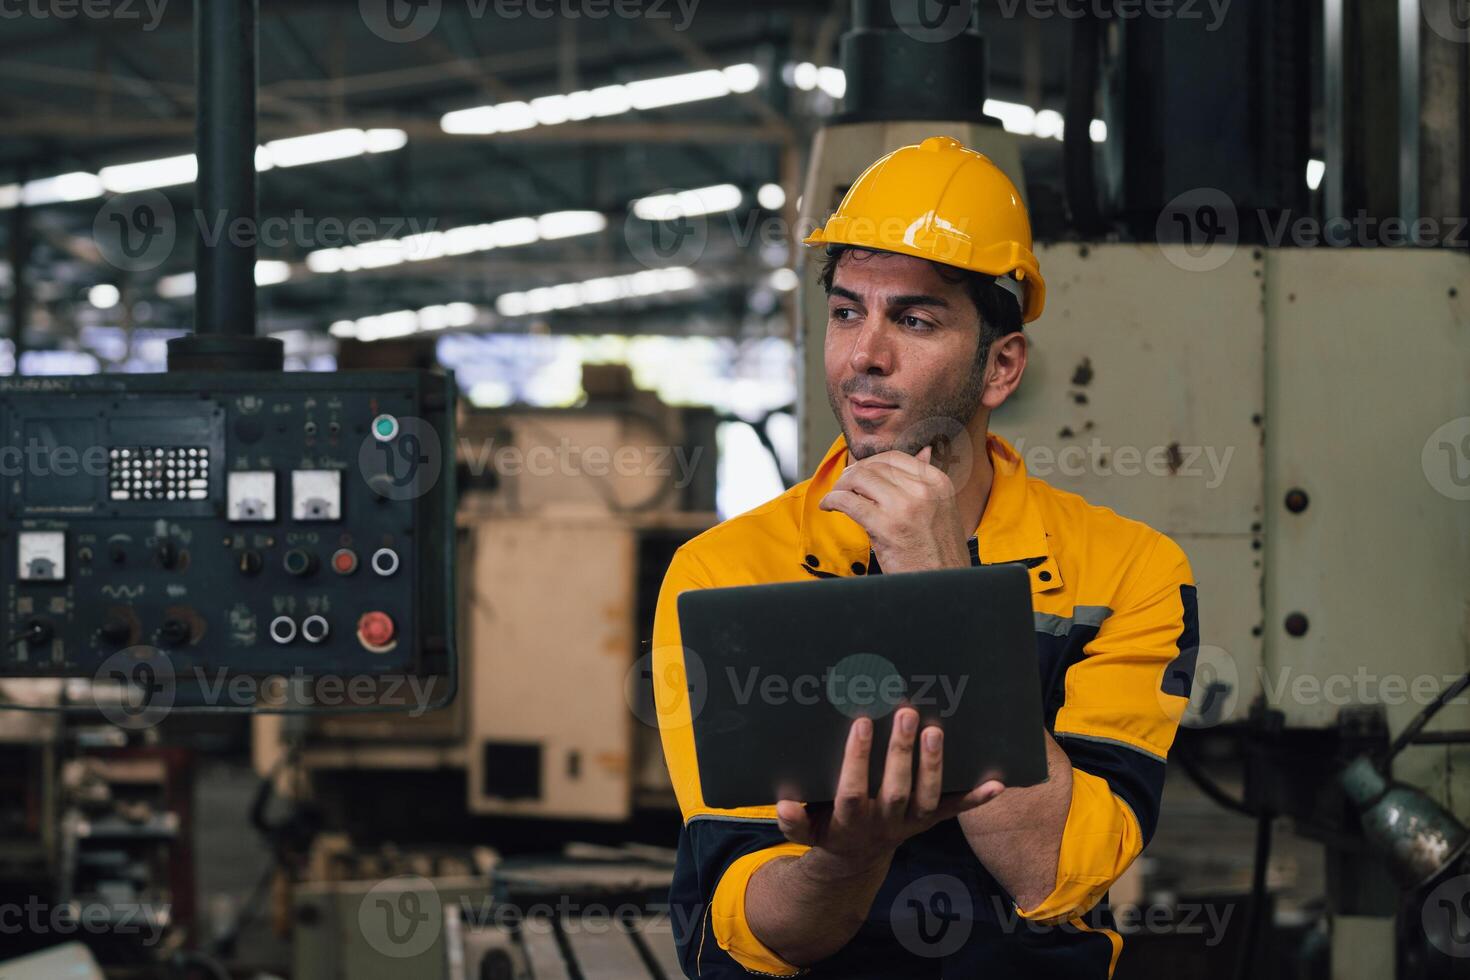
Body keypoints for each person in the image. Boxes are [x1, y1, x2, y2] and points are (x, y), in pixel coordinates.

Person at [651, 135, 1199, 978]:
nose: (864, 354)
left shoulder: (1126, 573)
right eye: (845, 311)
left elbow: (1050, 873)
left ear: (1001, 367)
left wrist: (943, 592)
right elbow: (755, 929)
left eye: (912, 318)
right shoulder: (726, 572)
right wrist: (845, 859)